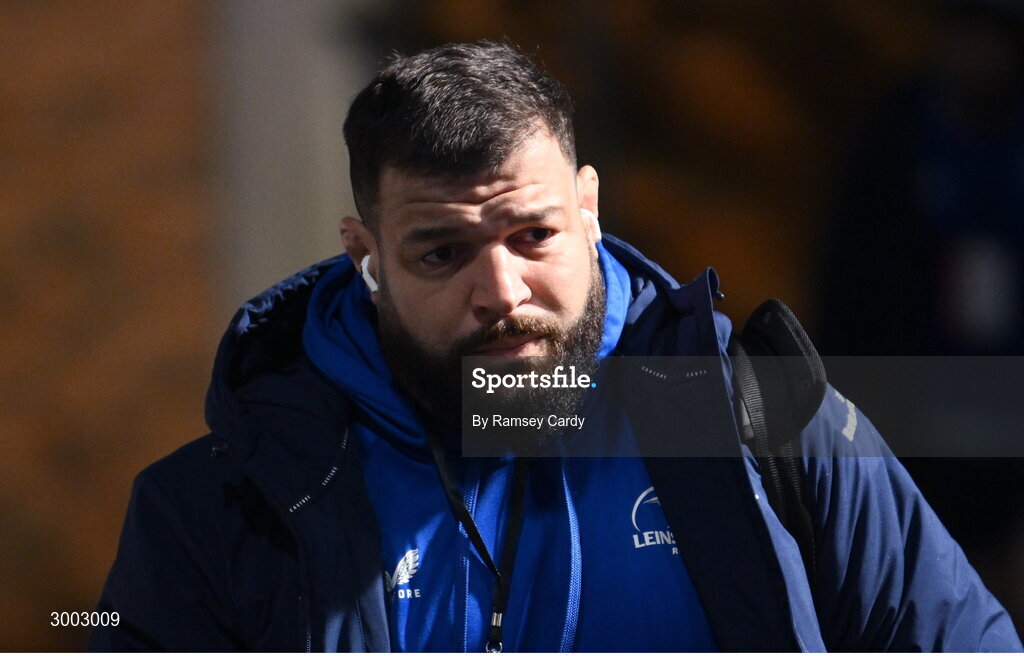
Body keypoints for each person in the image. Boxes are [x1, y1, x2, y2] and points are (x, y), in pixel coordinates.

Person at [90, 41, 1021, 652]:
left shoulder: (770, 427)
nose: (502, 293)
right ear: (366, 256)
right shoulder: (219, 508)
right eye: (443, 252)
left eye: (533, 236)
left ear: (588, 208)